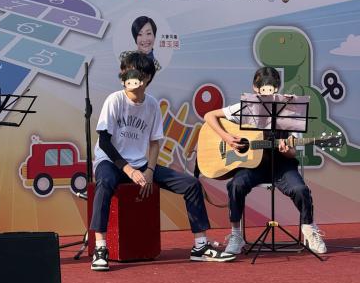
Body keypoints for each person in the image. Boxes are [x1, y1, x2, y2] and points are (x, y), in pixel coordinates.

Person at [90, 52, 235, 271]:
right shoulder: (115, 100)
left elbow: (154, 143)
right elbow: (104, 141)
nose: (129, 77)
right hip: (110, 161)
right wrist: (129, 170)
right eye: (125, 72)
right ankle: (100, 248)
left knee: (191, 185)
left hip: (141, 164)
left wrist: (149, 170)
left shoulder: (152, 105)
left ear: (147, 77)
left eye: (134, 73)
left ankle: (200, 246)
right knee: (105, 182)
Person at [203, 66, 327, 255]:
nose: (268, 94)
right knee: (236, 185)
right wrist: (227, 137)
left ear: (278, 87)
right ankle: (236, 235)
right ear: (255, 88)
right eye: (263, 90)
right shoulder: (245, 107)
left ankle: (309, 229)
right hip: (252, 166)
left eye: (272, 89)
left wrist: (287, 150)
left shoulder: (289, 110)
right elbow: (209, 116)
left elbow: (292, 153)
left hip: (281, 165)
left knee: (300, 190)